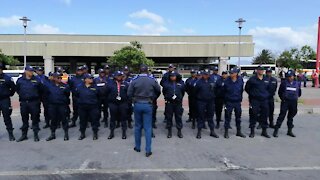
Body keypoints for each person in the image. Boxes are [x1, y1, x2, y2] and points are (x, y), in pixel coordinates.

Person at [128, 64, 161, 157]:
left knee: (138, 126)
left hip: (137, 104)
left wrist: (133, 100)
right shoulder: (152, 80)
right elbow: (158, 91)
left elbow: (129, 93)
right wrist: (153, 98)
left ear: (139, 70)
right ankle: (148, 150)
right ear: (147, 70)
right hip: (148, 104)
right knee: (148, 128)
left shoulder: (134, 80)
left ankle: (137, 147)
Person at [16, 65, 44, 142]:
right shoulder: (20, 80)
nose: (31, 72)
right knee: (24, 120)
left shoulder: (37, 80)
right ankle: (24, 135)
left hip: (34, 102)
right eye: (29, 71)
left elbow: (41, 90)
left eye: (32, 71)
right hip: (24, 102)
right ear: (25, 71)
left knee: (35, 119)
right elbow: (17, 90)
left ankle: (36, 135)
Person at [273, 70, 302, 138]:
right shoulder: (284, 83)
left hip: (293, 102)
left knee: (290, 117)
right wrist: (283, 98)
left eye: (291, 76)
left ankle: (289, 131)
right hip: (285, 102)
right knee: (282, 116)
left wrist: (295, 98)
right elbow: (280, 92)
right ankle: (276, 130)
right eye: (288, 77)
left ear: (294, 76)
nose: (289, 78)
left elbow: (299, 93)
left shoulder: (297, 83)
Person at [245, 66, 271, 138]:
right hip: (255, 100)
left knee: (265, 115)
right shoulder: (252, 79)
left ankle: (264, 131)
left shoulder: (266, 79)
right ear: (257, 71)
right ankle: (252, 131)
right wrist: (253, 94)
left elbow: (269, 89)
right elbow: (247, 88)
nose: (261, 71)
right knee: (253, 115)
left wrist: (266, 95)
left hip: (264, 100)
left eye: (262, 70)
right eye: (260, 70)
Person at [45, 73, 71, 141]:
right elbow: (46, 94)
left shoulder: (65, 86)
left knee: (64, 120)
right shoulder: (49, 85)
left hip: (62, 105)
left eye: (60, 77)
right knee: (53, 120)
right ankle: (52, 134)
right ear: (54, 78)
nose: (60, 79)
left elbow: (67, 94)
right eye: (58, 77)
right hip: (52, 105)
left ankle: (66, 133)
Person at [194, 69, 219, 139]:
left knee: (210, 116)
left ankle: (212, 131)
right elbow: (195, 91)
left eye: (207, 74)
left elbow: (216, 90)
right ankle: (199, 131)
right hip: (201, 101)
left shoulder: (213, 81)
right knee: (200, 116)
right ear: (202, 74)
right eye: (205, 74)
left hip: (210, 101)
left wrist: (213, 96)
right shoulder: (198, 82)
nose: (206, 75)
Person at [222, 68, 246, 138]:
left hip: (237, 102)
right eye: (230, 73)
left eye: (232, 73)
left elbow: (241, 90)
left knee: (238, 118)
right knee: (227, 117)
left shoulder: (240, 80)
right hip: (229, 102)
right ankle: (226, 132)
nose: (231, 74)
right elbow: (223, 91)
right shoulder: (227, 80)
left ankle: (238, 131)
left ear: (236, 73)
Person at [76, 74, 100, 140]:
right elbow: (77, 95)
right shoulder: (79, 87)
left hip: (93, 106)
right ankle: (82, 133)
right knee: (82, 121)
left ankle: (95, 133)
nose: (92, 79)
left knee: (94, 120)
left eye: (92, 78)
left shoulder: (95, 87)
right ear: (85, 79)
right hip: (82, 107)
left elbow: (99, 96)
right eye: (90, 78)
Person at [107, 71, 130, 140]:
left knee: (123, 118)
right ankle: (111, 132)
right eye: (118, 76)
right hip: (113, 104)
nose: (119, 77)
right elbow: (105, 93)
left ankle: (124, 132)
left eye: (120, 76)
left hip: (123, 103)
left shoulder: (126, 84)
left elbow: (129, 93)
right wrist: (109, 101)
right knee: (112, 118)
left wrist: (127, 102)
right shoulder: (110, 84)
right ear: (115, 76)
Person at [162, 71, 185, 138]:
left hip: (178, 103)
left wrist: (179, 98)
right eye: (171, 76)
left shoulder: (181, 83)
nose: (173, 77)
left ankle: (179, 131)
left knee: (178, 117)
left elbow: (183, 92)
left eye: (174, 76)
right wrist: (168, 97)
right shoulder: (166, 83)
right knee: (169, 117)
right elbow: (164, 92)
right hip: (169, 103)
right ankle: (169, 131)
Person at [0, 63, 16, 141]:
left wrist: (9, 94)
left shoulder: (7, 78)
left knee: (7, 117)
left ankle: (11, 134)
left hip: (4, 100)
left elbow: (13, 88)